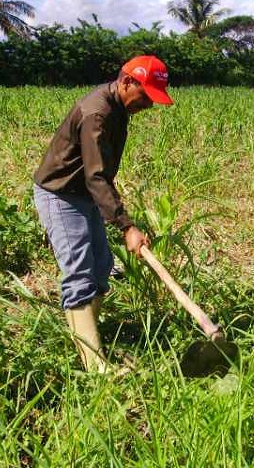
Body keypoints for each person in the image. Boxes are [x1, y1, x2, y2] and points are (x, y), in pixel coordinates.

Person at [32, 55, 174, 373]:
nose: (149, 105)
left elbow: (98, 177)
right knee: (80, 274)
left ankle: (85, 335)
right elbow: (95, 176)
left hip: (84, 194)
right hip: (62, 195)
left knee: (101, 267)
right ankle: (95, 366)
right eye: (146, 96)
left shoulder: (119, 108)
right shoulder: (97, 113)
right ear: (127, 82)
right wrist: (127, 226)